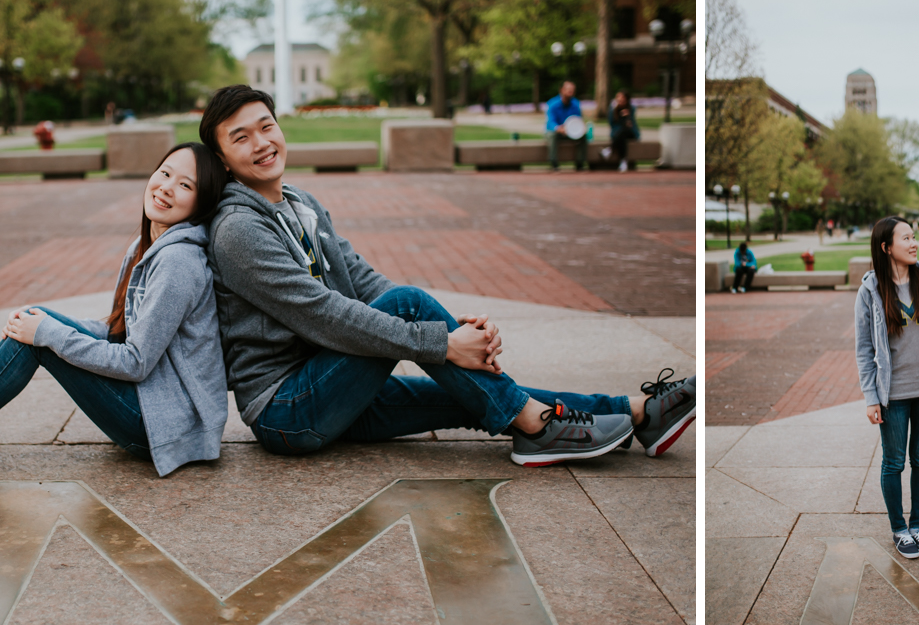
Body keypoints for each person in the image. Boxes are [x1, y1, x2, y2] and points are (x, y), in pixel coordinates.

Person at [198, 85, 695, 466]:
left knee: (472, 396)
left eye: (266, 126)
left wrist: (453, 330)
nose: (261, 143)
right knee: (415, 308)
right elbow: (322, 314)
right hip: (288, 410)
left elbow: (365, 282)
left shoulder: (301, 203)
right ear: (222, 158)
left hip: (335, 383)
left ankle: (636, 413)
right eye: (241, 138)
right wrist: (438, 341)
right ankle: (537, 432)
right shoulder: (238, 230)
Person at [0, 143, 231, 477]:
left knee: (38, 340)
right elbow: (122, 331)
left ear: (201, 204)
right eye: (165, 173)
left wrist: (49, 334)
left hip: (166, 428)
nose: (167, 186)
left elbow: (135, 361)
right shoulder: (147, 243)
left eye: (186, 185)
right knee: (38, 319)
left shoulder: (177, 262)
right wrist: (46, 322)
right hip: (156, 404)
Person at [856, 217, 919, 559]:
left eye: (914, 237)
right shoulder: (871, 291)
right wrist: (870, 397)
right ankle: (899, 529)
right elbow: (864, 348)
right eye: (905, 238)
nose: (913, 243)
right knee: (893, 462)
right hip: (892, 394)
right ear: (886, 247)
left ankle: (918, 525)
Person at [545, 80, 587, 172]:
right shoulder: (552, 104)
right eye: (568, 90)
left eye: (572, 90)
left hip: (570, 132)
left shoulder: (576, 104)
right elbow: (551, 122)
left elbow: (578, 120)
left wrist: (581, 128)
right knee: (552, 136)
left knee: (583, 136)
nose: (570, 92)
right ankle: (554, 164)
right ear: (562, 90)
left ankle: (580, 164)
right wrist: (558, 128)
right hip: (556, 131)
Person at [607, 91, 640, 172]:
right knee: (622, 137)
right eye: (618, 98)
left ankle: (609, 150)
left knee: (624, 131)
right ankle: (623, 161)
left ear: (626, 100)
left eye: (622, 99)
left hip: (631, 132)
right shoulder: (613, 109)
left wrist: (627, 117)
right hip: (618, 133)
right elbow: (612, 124)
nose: (620, 100)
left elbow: (631, 125)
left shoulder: (631, 108)